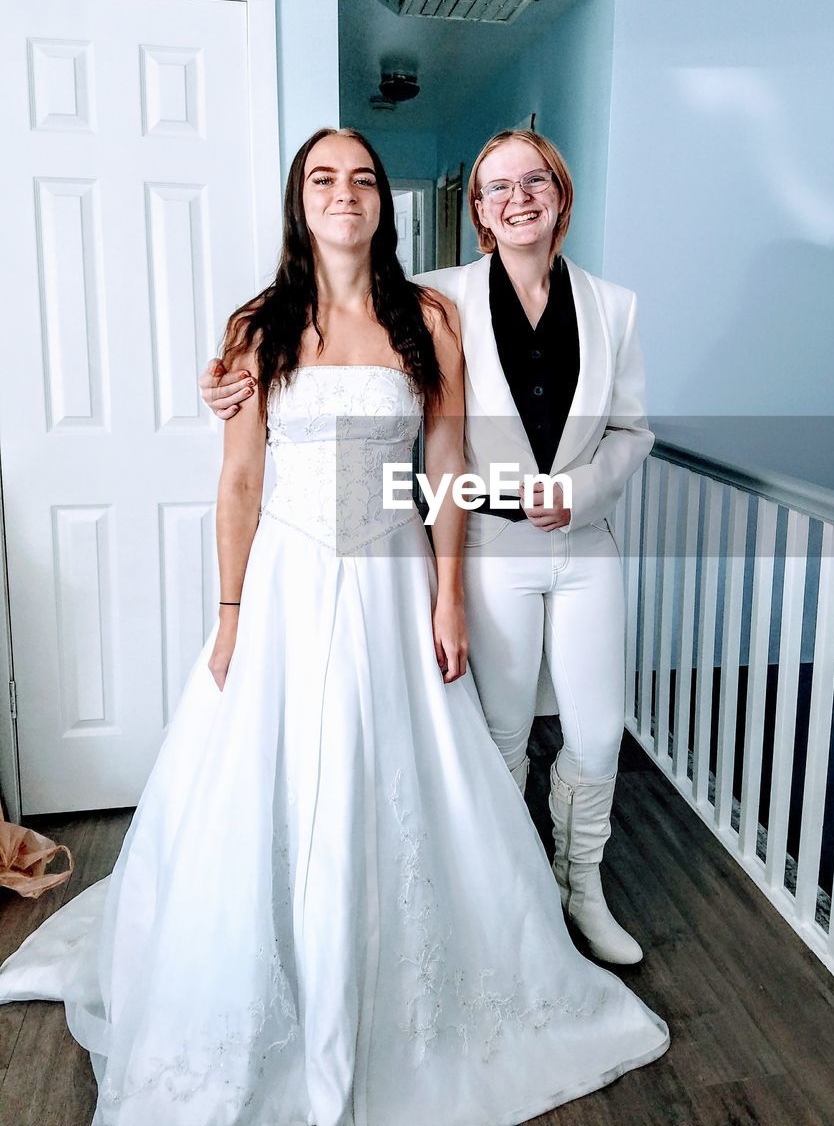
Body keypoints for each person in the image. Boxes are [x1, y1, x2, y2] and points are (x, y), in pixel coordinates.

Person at [0, 128, 668, 1126]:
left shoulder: (427, 315)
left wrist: (448, 594)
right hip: (285, 587)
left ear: (383, 203)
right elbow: (235, 484)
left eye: (363, 177)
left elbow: (444, 469)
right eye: (324, 176)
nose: (346, 191)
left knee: (417, 772)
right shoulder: (256, 325)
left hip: (397, 581)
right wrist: (228, 616)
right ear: (299, 200)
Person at [204, 130, 654, 969]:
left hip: (532, 548)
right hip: (390, 557)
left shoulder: (587, 306)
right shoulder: (399, 304)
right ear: (476, 212)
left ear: (561, 191)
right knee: (489, 733)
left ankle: (569, 887)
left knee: (583, 736)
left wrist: (568, 501)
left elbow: (614, 432)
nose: (517, 198)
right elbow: (240, 477)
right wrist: (230, 611)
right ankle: (496, 891)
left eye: (534, 181)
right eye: (496, 188)